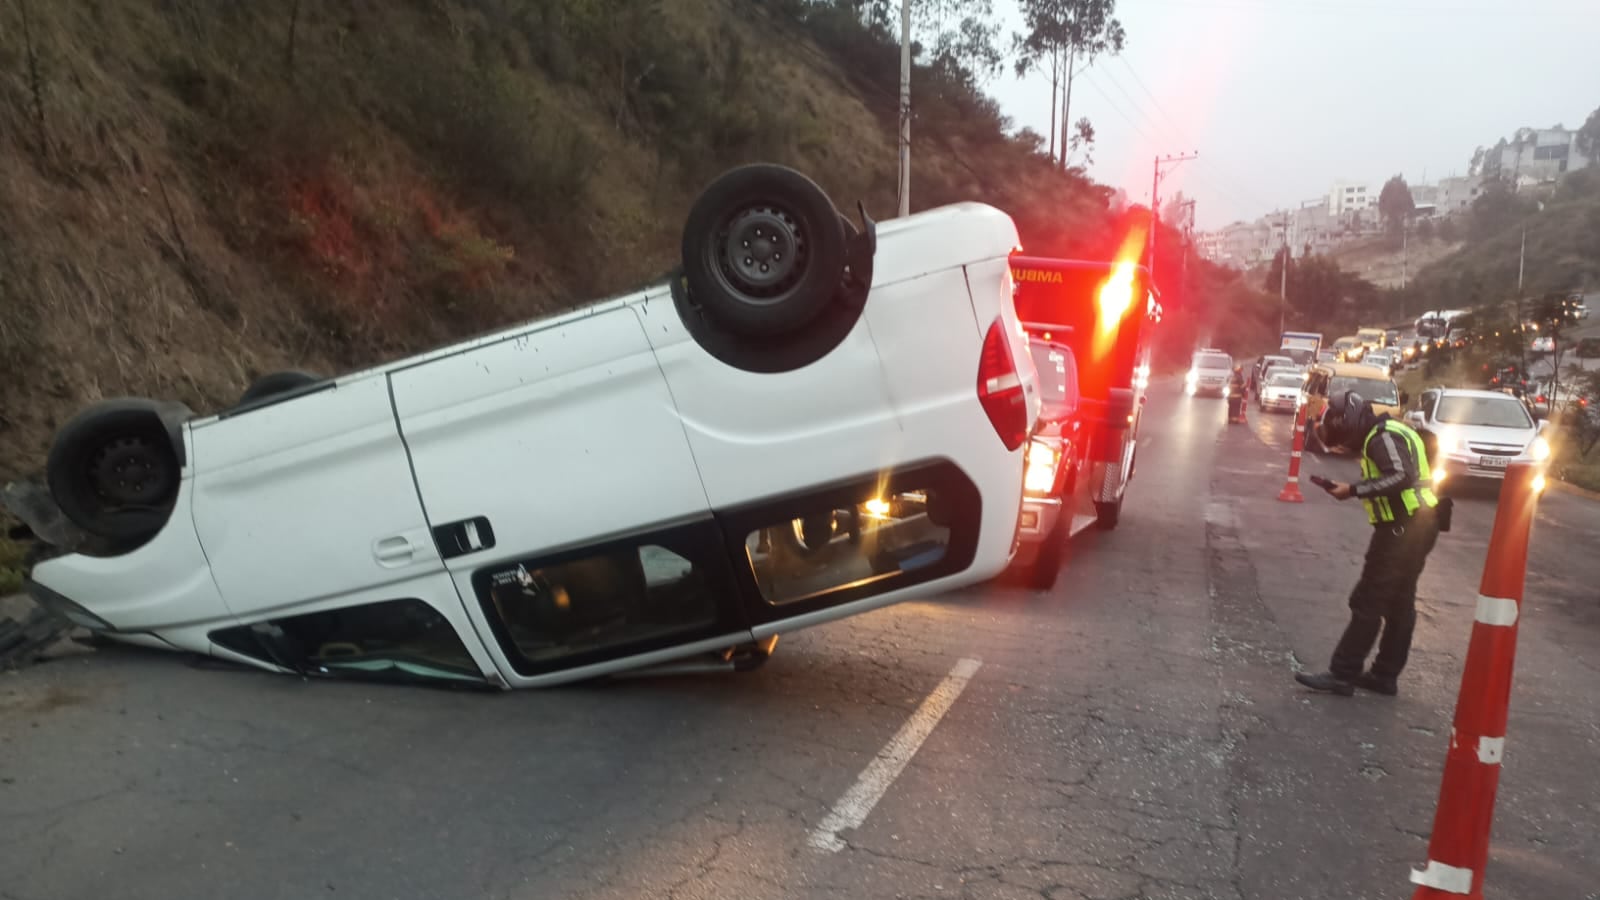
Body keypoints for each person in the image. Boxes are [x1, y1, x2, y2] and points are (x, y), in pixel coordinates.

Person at [1295, 390, 1447, 697]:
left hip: (1404, 527)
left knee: (1368, 600)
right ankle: (1384, 675)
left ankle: (1343, 674)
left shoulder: (1383, 436)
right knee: (1399, 602)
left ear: (1348, 421)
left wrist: (1352, 490)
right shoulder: (1390, 431)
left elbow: (1401, 477)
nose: (1343, 442)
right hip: (1419, 524)